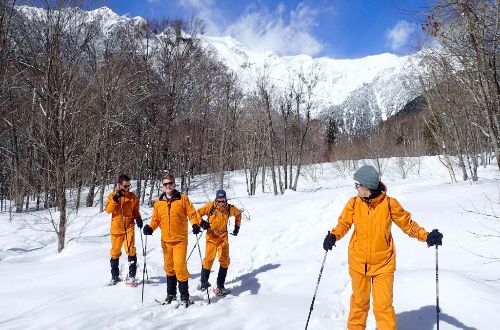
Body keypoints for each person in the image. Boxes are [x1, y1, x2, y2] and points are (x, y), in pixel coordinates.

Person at [323, 165, 443, 330]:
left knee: (383, 307)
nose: (356, 188)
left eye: (357, 185)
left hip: (383, 264)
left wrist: (427, 236)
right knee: (359, 304)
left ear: (367, 187)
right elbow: (343, 223)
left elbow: (408, 225)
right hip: (358, 263)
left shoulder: (389, 204)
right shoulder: (353, 203)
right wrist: (333, 236)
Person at [142, 174, 201, 307]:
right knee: (169, 268)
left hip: (180, 239)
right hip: (166, 241)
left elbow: (191, 213)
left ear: (174, 185)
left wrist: (195, 224)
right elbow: (156, 219)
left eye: (170, 183)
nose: (168, 186)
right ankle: (171, 294)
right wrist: (150, 228)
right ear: (162, 186)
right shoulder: (158, 202)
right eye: (165, 184)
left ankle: (184, 296)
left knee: (179, 267)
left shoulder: (183, 198)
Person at [197, 189, 242, 296]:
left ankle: (220, 286)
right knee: (208, 259)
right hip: (211, 236)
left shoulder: (229, 208)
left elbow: (238, 214)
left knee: (224, 260)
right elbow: (197, 213)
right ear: (216, 199)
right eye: (219, 200)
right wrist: (202, 223)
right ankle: (204, 282)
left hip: (223, 237)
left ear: (225, 200)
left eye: (223, 201)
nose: (221, 203)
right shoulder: (210, 206)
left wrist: (237, 227)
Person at [105, 174, 143, 285]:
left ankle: (132, 276)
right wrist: (115, 200)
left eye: (128, 186)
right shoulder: (112, 195)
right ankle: (114, 276)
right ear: (119, 185)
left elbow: (135, 210)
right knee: (115, 251)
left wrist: (138, 218)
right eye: (125, 186)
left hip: (129, 227)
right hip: (116, 228)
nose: (127, 188)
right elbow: (108, 210)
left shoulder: (132, 197)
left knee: (131, 249)